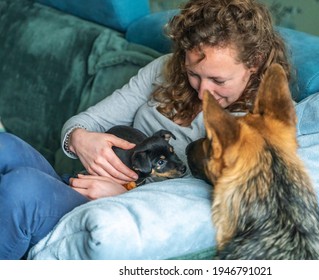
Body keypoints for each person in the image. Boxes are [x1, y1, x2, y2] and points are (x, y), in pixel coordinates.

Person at [0, 0, 291, 259]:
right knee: (5, 145)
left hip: (123, 211)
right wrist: (80, 139)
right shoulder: (164, 69)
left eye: (218, 80)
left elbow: (203, 204)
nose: (203, 91)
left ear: (254, 62)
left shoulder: (260, 119)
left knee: (22, 188)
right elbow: (85, 122)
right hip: (83, 183)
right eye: (193, 74)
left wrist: (125, 196)